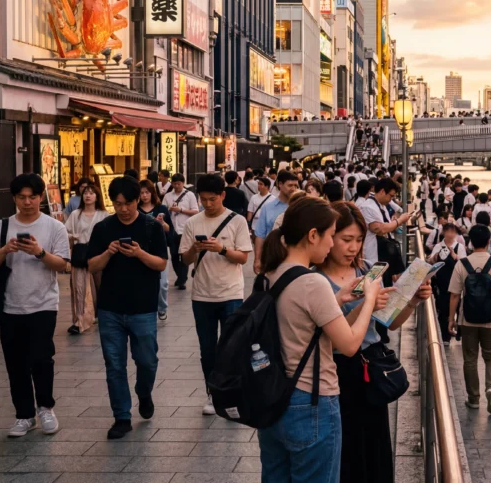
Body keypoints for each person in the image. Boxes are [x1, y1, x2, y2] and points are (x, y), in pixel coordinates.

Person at [256, 196, 387, 482]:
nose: (331, 245)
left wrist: (339, 300)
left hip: (274, 398)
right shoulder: (313, 282)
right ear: (312, 235)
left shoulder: (271, 273)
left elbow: (306, 325)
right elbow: (350, 345)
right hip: (311, 401)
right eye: (331, 236)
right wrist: (369, 300)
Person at [316, 201, 431, 482]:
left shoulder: (367, 270)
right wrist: (365, 304)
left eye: (358, 239)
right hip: (335, 372)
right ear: (328, 236)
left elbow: (388, 322)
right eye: (346, 239)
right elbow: (331, 335)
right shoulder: (315, 279)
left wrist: (413, 300)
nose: (353, 247)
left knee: (375, 447)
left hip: (369, 371)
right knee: (346, 450)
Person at [0, 173, 70, 437]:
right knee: (15, 363)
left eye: (32, 196)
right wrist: (5, 250)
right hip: (10, 305)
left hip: (43, 304)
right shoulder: (2, 227)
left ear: (41, 197)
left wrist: (39, 253)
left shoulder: (55, 227)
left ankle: (45, 407)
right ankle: (24, 415)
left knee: (42, 358)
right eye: (21, 197)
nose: (27, 202)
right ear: (14, 198)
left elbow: (64, 265)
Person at [87, 176, 169, 439]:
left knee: (147, 361)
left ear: (138, 200)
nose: (123, 209)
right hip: (110, 308)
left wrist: (139, 254)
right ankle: (121, 417)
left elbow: (161, 264)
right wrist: (109, 252)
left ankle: (144, 392)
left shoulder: (151, 227)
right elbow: (92, 266)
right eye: (118, 203)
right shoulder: (103, 229)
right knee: (114, 365)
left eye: (128, 203)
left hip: (143, 307)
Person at [178, 174, 253, 415]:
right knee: (207, 349)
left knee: (231, 348)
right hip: (202, 296)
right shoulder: (193, 224)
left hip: (231, 293)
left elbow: (243, 257)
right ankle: (212, 394)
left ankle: (230, 395)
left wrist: (221, 249)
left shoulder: (237, 221)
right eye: (203, 200)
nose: (208, 204)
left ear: (223, 195)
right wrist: (194, 249)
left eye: (212, 199)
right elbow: (185, 260)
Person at [448, 225, 491, 415]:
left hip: (467, 320)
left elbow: (454, 295)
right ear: (488, 242)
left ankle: (473, 398)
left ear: (469, 243)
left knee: (470, 359)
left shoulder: (461, 264)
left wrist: (451, 319)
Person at [63, 183, 109, 334]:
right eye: (85, 193)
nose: (88, 195)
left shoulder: (104, 214)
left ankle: (98, 314)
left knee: (99, 287)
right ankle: (79, 320)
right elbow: (65, 232)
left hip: (99, 255)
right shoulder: (76, 214)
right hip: (80, 253)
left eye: (91, 193)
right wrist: (74, 237)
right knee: (79, 288)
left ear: (97, 196)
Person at [358, 178, 412, 276]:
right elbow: (380, 229)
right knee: (373, 281)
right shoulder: (368, 207)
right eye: (390, 196)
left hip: (382, 253)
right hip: (372, 254)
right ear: (382, 191)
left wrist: (392, 223)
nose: (391, 199)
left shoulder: (381, 205)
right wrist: (399, 221)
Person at [252, 170, 300, 274]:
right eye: (290, 185)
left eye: (296, 186)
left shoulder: (300, 207)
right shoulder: (267, 208)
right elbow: (260, 236)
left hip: (296, 261)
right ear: (280, 184)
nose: (294, 189)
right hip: (272, 260)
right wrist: (257, 259)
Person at [138, 180, 173, 320]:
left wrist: (162, 224)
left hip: (160, 248)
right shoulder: (136, 210)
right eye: (141, 193)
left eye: (147, 192)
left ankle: (162, 307)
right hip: (141, 249)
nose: (145, 196)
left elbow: (170, 230)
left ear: (152, 193)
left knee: (163, 283)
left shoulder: (161, 209)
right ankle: (147, 307)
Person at [161, 174, 200, 290]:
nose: (177, 186)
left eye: (179, 184)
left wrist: (181, 210)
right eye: (174, 184)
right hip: (172, 230)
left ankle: (182, 279)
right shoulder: (168, 196)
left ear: (183, 183)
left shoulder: (190, 195)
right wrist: (168, 210)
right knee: (174, 255)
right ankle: (180, 276)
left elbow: (196, 211)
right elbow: (163, 211)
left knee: (183, 255)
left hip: (185, 230)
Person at [430, 224, 466, 346]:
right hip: (442, 281)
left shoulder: (459, 246)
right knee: (444, 308)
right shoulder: (438, 246)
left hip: (456, 280)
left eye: (453, 232)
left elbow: (464, 262)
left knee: (459, 307)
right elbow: (430, 260)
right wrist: (436, 256)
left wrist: (455, 256)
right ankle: (445, 335)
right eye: (448, 232)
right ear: (443, 232)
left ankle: (459, 332)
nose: (450, 234)